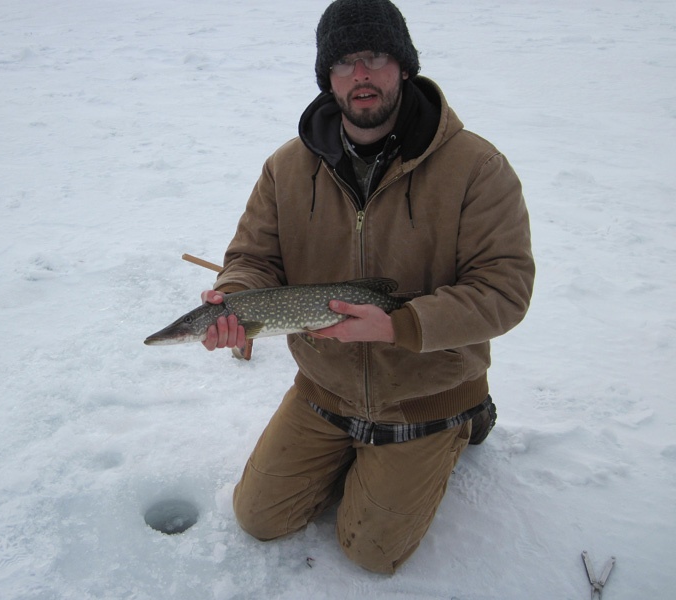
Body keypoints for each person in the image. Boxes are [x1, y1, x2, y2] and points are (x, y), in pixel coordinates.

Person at [199, 0, 534, 575]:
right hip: (325, 387)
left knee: (370, 553)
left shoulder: (476, 167)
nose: (361, 75)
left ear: (402, 66)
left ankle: (466, 420)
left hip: (424, 388)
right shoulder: (287, 167)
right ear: (327, 78)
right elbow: (254, 257)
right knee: (259, 518)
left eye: (376, 57)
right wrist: (234, 296)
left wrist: (399, 325)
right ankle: (354, 454)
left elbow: (505, 288)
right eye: (344, 63)